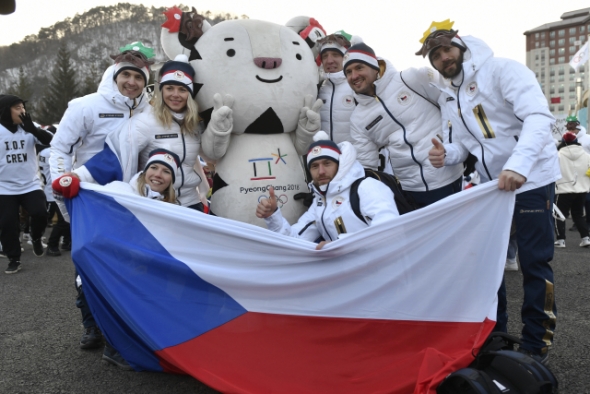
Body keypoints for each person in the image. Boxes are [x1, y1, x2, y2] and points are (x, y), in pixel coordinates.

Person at [420, 20, 560, 364]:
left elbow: (540, 119)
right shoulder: (450, 95)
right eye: (435, 55)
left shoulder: (502, 70)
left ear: (462, 46)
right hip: (492, 187)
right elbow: (465, 147)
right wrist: (446, 154)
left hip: (532, 178)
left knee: (533, 262)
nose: (442, 58)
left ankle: (534, 345)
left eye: (446, 49)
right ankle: (495, 337)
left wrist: (519, 165)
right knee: (489, 265)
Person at [48, 42, 153, 355]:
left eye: (139, 77)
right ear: (115, 74)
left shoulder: (150, 109)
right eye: (127, 75)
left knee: (131, 266)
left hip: (130, 201)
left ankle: (126, 325)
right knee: (87, 266)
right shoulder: (85, 105)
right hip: (89, 197)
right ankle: (91, 325)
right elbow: (59, 149)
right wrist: (61, 191)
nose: (132, 82)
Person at [53, 148, 181, 370]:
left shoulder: (172, 209)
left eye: (166, 171)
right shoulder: (119, 190)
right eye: (154, 167)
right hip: (105, 269)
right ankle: (111, 343)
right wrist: (63, 189)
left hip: (139, 270)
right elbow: (82, 205)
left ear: (172, 181)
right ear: (144, 171)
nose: (158, 174)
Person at [73, 54, 208, 210]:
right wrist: (79, 176)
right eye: (169, 88)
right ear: (161, 91)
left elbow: (212, 156)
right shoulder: (146, 121)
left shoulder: (195, 124)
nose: (175, 95)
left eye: (182, 89)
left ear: (189, 94)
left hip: (191, 204)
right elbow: (115, 155)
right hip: (157, 206)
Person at [344, 42, 464, 208]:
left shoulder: (410, 79)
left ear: (375, 66)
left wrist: (450, 146)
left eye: (359, 67)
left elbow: (451, 101)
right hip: (411, 190)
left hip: (448, 175)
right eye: (348, 72)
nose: (354, 76)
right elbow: (367, 165)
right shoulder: (358, 118)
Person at [256, 131, 399, 249]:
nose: (321, 171)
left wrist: (340, 245)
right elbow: (294, 240)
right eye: (315, 166)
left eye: (327, 163)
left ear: (339, 164)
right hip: (348, 277)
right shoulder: (320, 201)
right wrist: (273, 216)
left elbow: (389, 232)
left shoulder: (367, 187)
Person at [0, 94, 52, 273]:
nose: (22, 111)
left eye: (23, 107)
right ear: (6, 111)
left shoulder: (30, 126)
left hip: (30, 183)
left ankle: (36, 238)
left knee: (39, 213)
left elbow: (51, 141)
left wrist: (34, 130)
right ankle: (14, 258)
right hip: (4, 186)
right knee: (7, 224)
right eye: (17, 108)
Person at [38, 126, 72, 257]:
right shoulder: (52, 152)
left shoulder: (43, 152)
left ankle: (66, 242)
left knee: (66, 219)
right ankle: (52, 244)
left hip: (49, 188)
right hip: (55, 189)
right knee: (63, 221)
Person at [553, 132, 590, 248]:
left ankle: (561, 240)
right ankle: (585, 238)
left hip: (563, 189)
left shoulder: (557, 155)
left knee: (559, 215)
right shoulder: (586, 155)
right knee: (578, 215)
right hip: (581, 190)